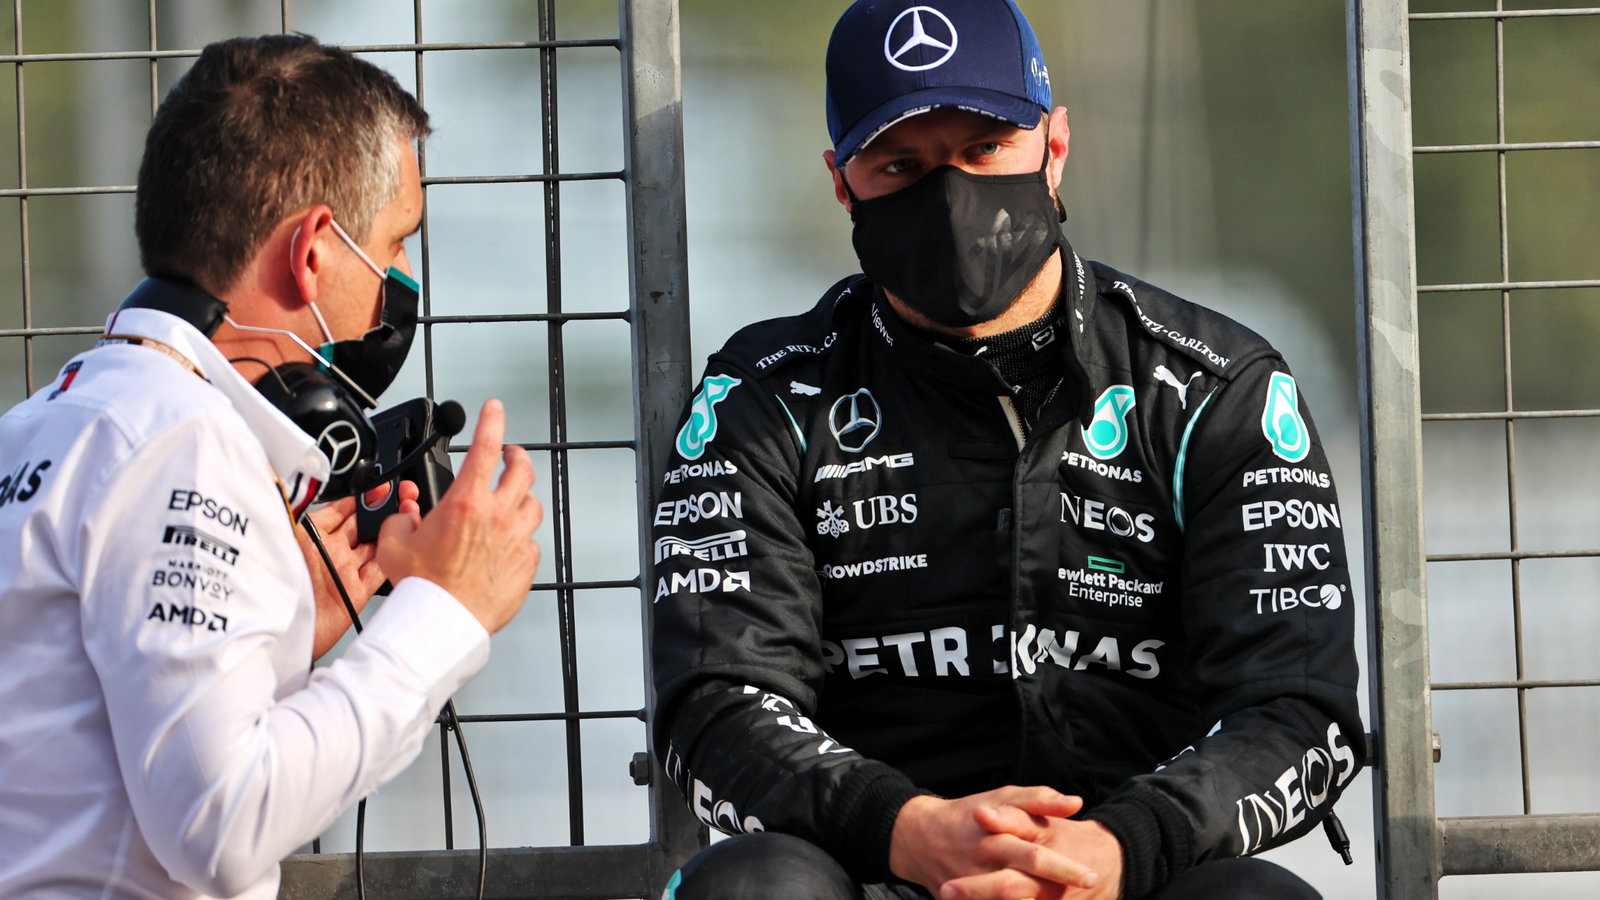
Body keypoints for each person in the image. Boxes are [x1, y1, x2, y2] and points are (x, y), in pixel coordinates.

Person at [650, 2, 1364, 898]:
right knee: (753, 888)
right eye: (902, 166)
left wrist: (1115, 847)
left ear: (1054, 147)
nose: (950, 196)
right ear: (843, 183)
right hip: (873, 868)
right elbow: (711, 702)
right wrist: (908, 832)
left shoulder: (1219, 391)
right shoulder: (764, 399)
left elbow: (1299, 705)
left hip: (1129, 870)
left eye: (985, 150)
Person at [0, 34, 542, 899]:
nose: (401, 277)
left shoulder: (38, 425)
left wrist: (287, 628)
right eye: (397, 243)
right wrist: (448, 609)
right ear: (315, 249)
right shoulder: (191, 446)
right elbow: (219, 823)